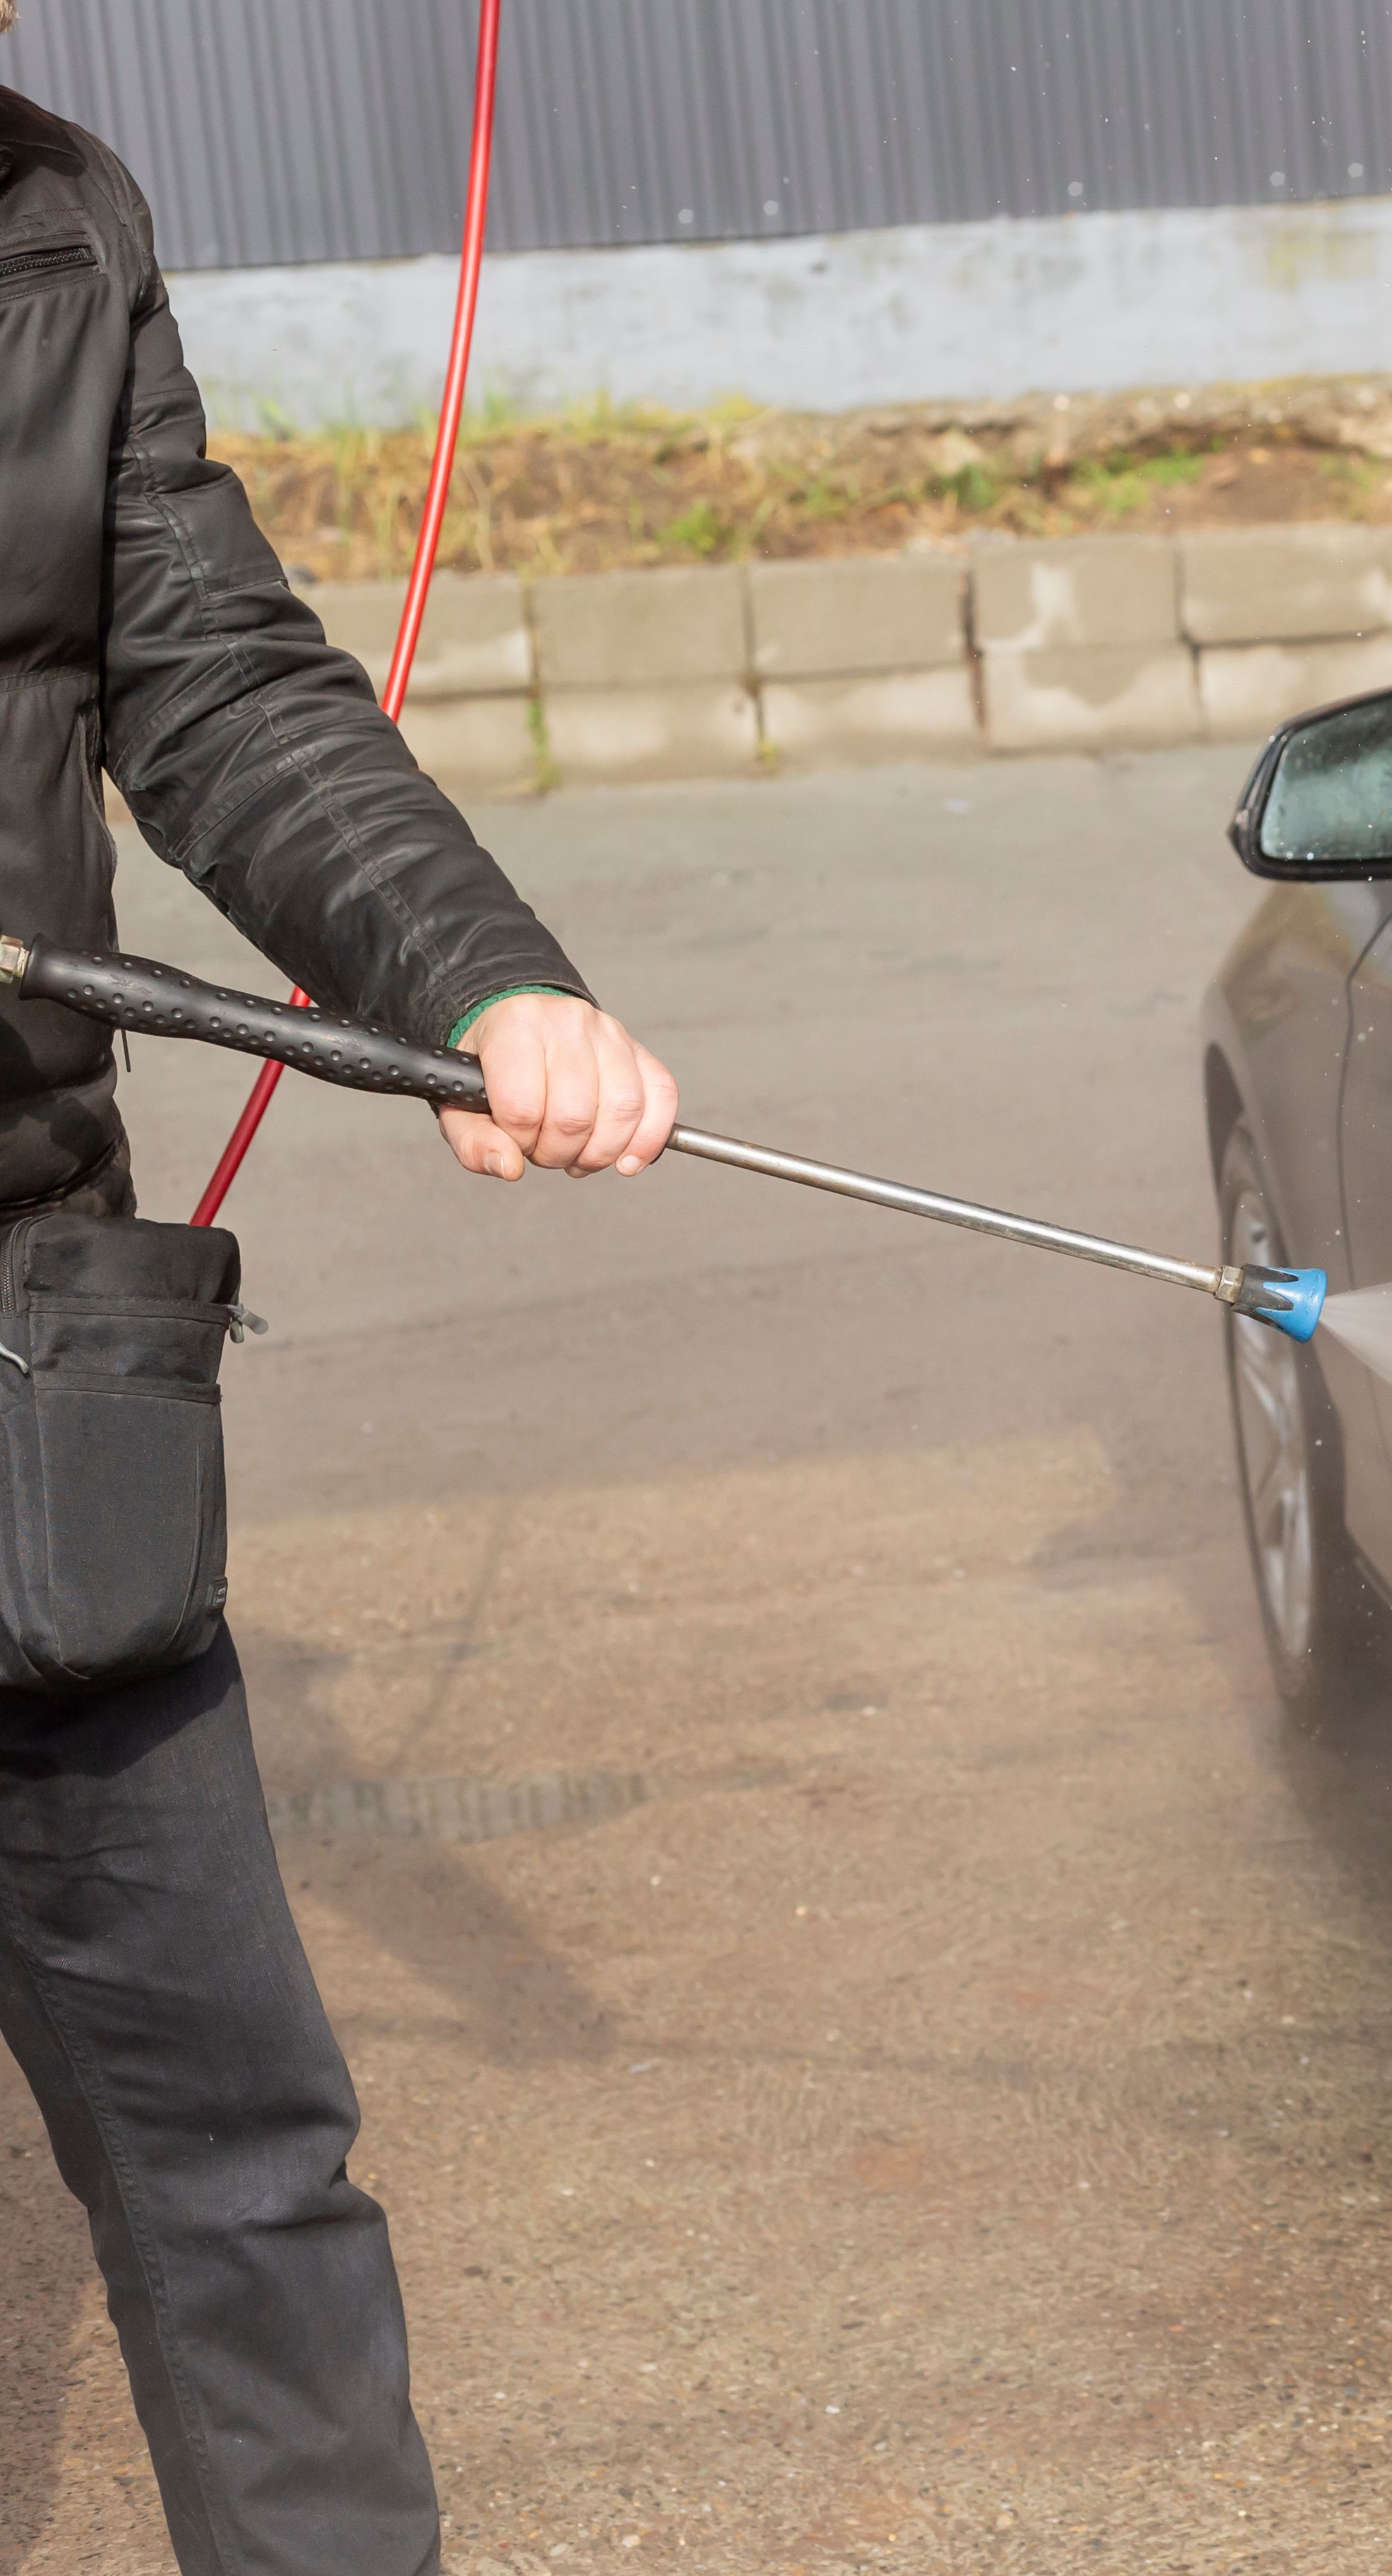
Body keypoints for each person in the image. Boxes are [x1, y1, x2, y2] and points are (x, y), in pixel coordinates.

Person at [0, 41, 674, 2576]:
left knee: (240, 2165)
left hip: (30, 1361)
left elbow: (210, 674)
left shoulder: (52, 215)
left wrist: (475, 982)